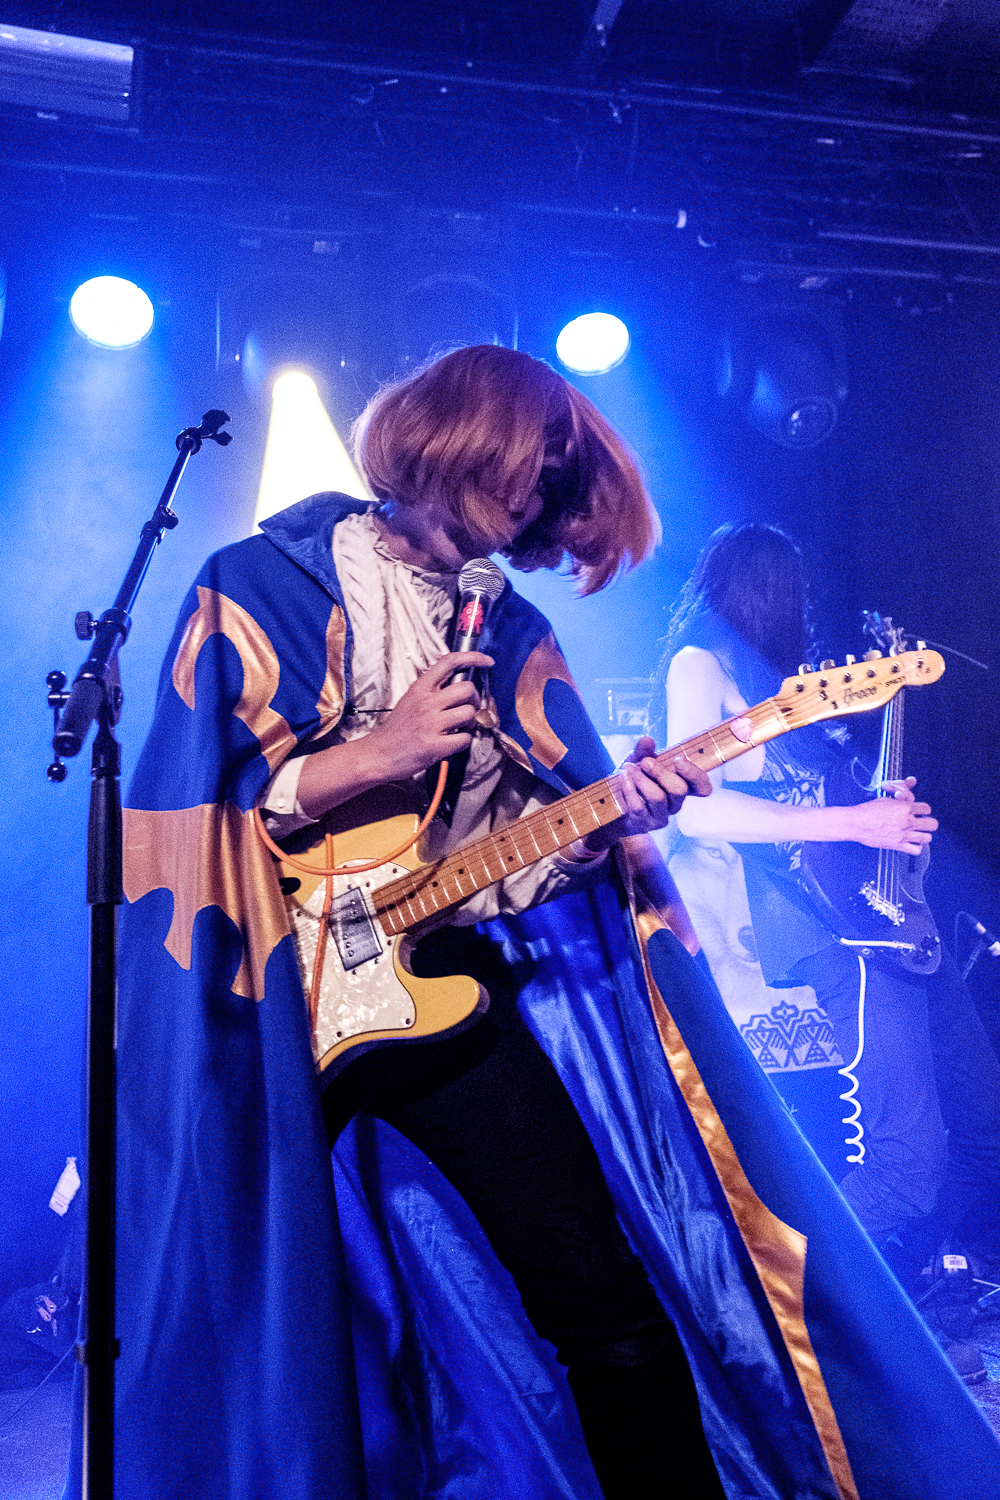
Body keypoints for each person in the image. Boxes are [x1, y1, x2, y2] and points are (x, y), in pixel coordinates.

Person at [74, 353, 1000, 1500]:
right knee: (247, 1294)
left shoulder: (512, 633)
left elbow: (502, 870)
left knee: (602, 1300)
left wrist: (608, 824)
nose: (532, 501)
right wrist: (372, 757)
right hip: (262, 992)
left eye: (552, 479)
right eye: (525, 468)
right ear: (452, 442)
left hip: (433, 985)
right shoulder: (257, 584)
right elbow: (185, 811)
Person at [652, 522, 1000, 1352]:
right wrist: (856, 818)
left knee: (985, 1128)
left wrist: (888, 812)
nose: (801, 607)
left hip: (894, 919)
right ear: (763, 585)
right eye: (791, 587)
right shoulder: (702, 664)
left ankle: (900, 1301)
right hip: (834, 936)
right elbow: (694, 805)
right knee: (906, 1167)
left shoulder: (789, 688)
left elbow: (826, 805)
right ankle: (768, 1306)